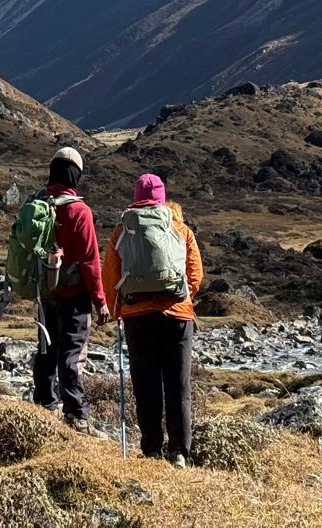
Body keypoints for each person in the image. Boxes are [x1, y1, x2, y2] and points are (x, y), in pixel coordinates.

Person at [103, 172, 203, 467]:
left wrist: (116, 309)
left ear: (135, 198)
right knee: (178, 385)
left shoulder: (123, 229)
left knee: (146, 384)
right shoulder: (180, 228)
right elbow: (195, 275)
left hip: (137, 316)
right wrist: (180, 296)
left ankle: (150, 449)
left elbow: (110, 274)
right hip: (178, 315)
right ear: (162, 197)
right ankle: (180, 452)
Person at [30, 145, 109, 431]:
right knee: (72, 353)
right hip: (74, 294)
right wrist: (100, 300)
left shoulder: (37, 206)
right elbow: (90, 260)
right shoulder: (79, 211)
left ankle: (43, 407)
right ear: (75, 175)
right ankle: (76, 415)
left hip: (44, 293)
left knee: (45, 349)